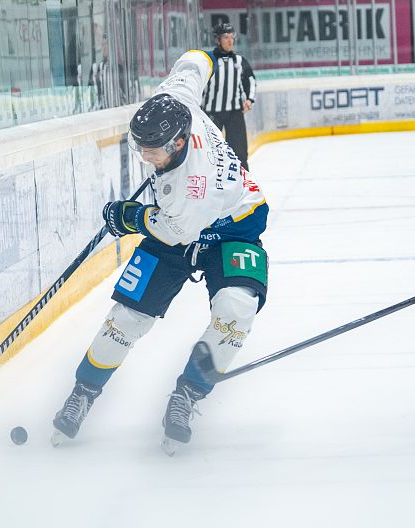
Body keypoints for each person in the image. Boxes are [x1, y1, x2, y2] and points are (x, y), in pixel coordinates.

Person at [51, 49, 269, 454]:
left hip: (232, 225)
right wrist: (206, 53)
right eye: (140, 148)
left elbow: (174, 230)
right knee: (126, 317)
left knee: (236, 309)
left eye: (153, 152)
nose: (144, 157)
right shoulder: (176, 98)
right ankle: (84, 390)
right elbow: (194, 62)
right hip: (176, 221)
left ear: (181, 140)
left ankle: (188, 394)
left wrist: (130, 216)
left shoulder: (192, 189)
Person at [202, 22, 256, 171]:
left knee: (239, 153)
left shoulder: (240, 61)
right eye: (226, 37)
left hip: (234, 113)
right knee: (210, 154)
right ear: (217, 40)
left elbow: (250, 81)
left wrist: (249, 99)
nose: (230, 41)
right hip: (211, 114)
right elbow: (198, 85)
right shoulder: (208, 61)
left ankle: (244, 186)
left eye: (232, 37)